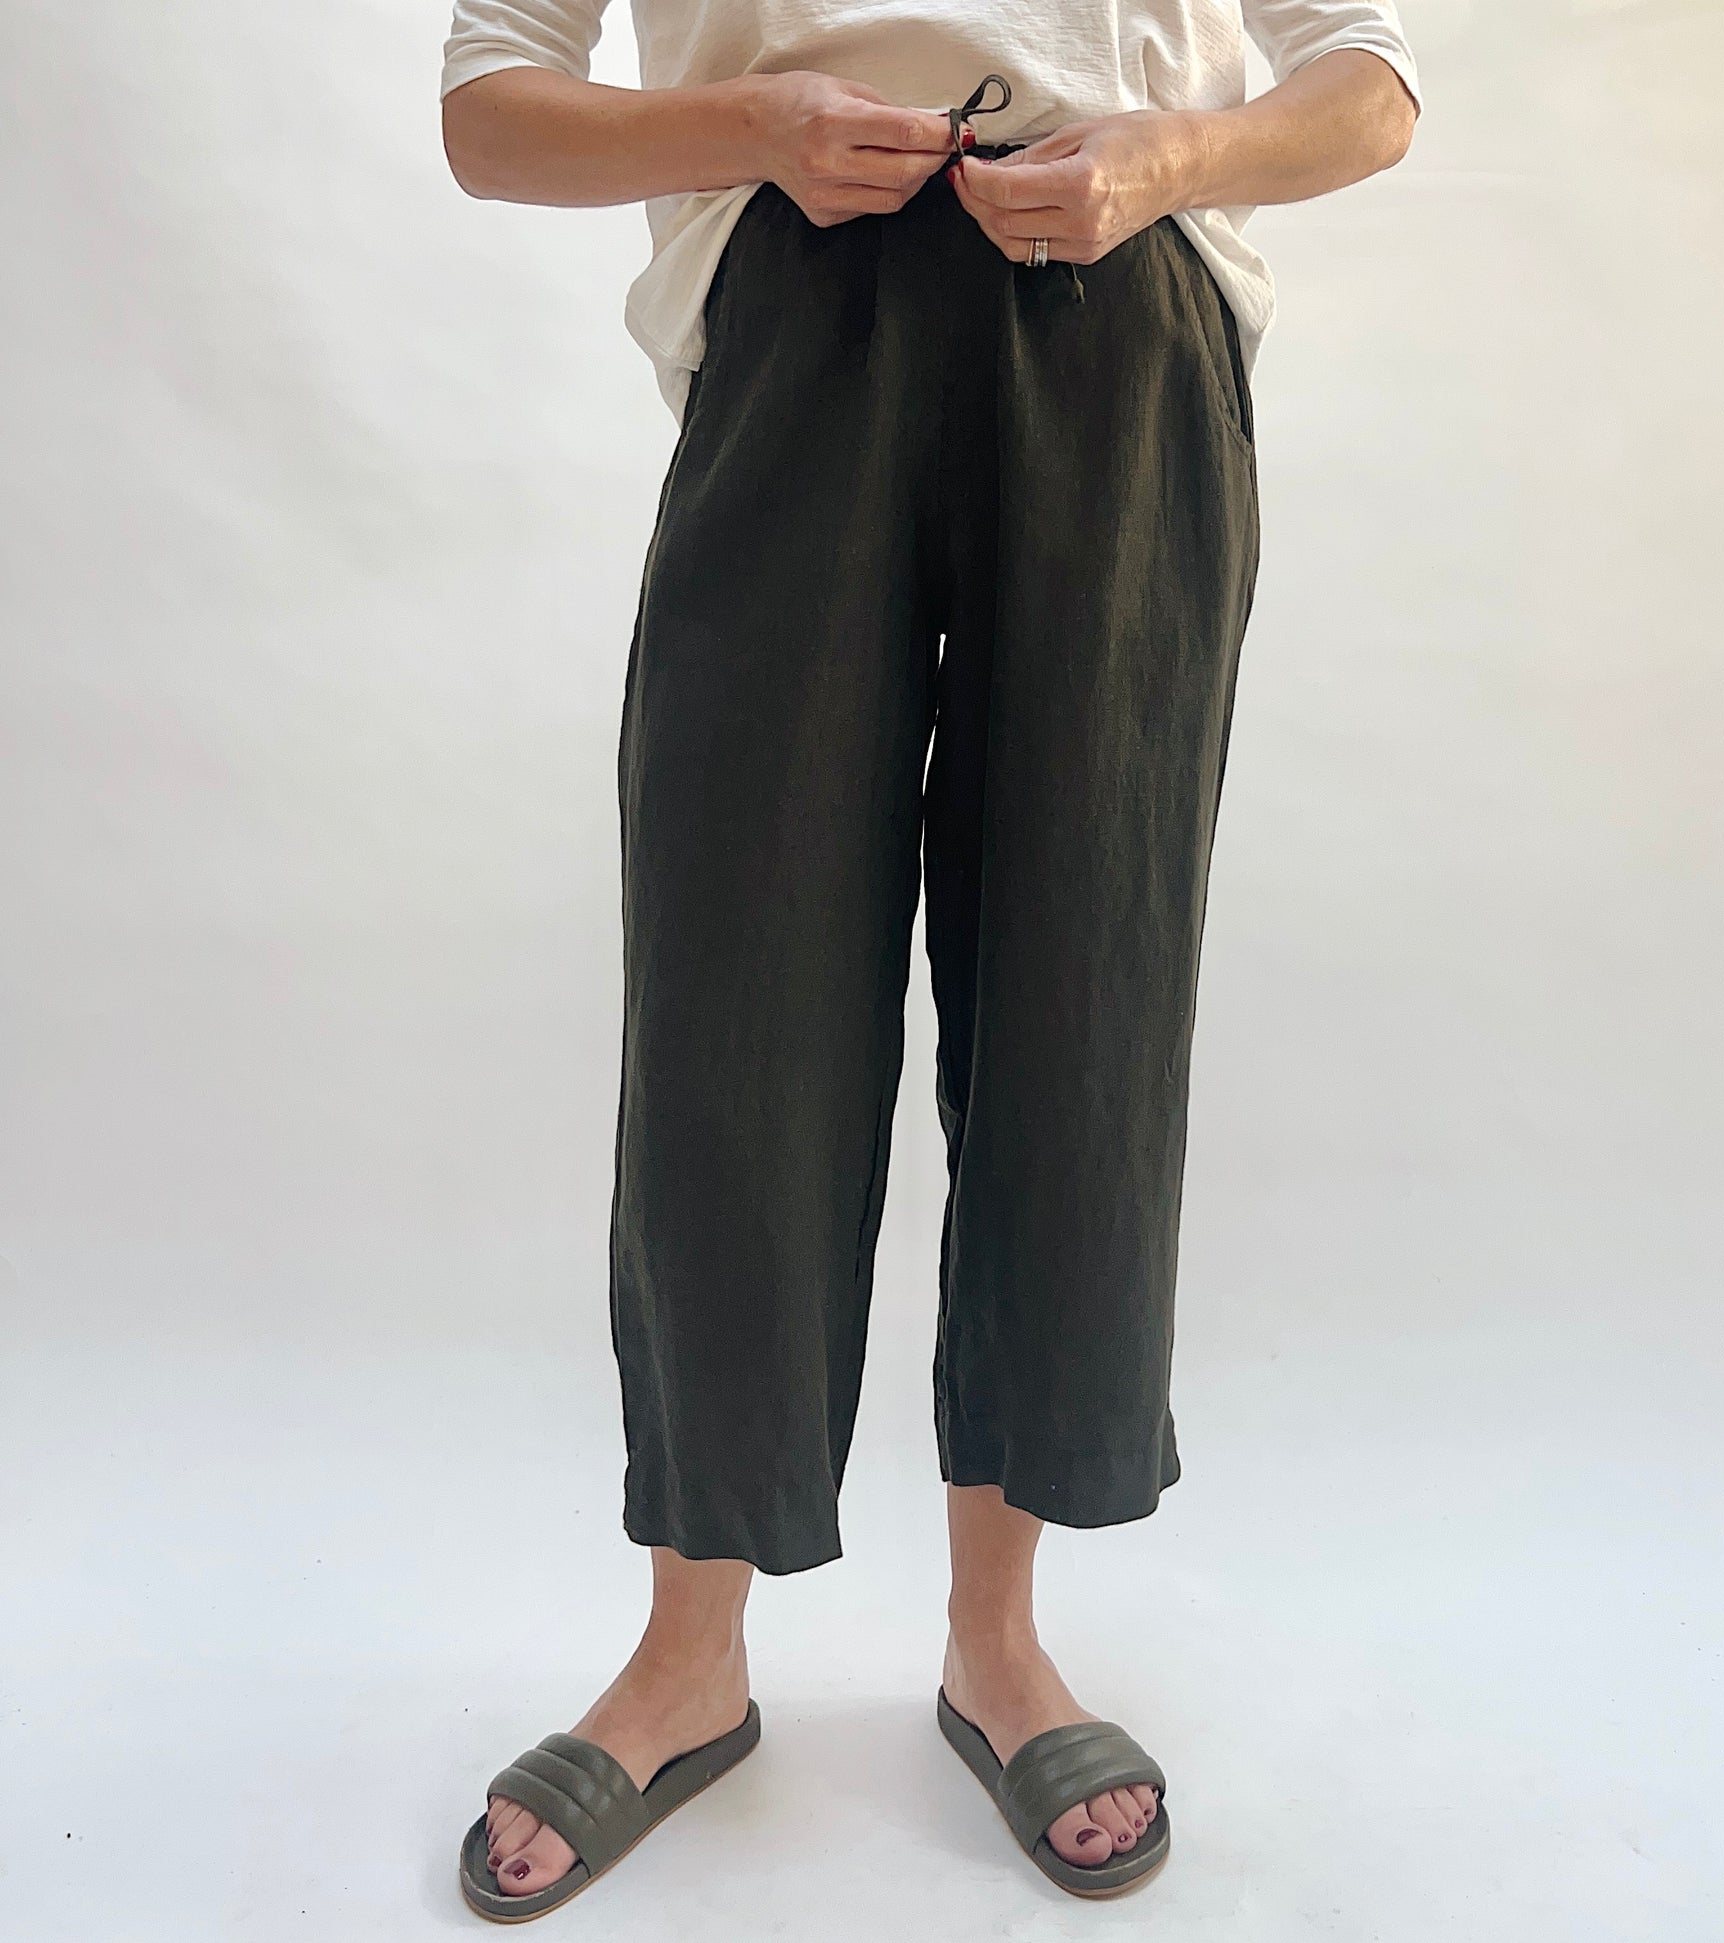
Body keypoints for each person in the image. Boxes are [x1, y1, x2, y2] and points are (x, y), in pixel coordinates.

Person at [438, 0, 1419, 1917]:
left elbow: (1369, 89)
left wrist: (1169, 157)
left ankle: (997, 1639)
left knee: (1080, 995)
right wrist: (751, 125)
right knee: (735, 1005)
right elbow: (493, 109)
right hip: (797, 325)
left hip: (1123, 325)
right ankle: (689, 1656)